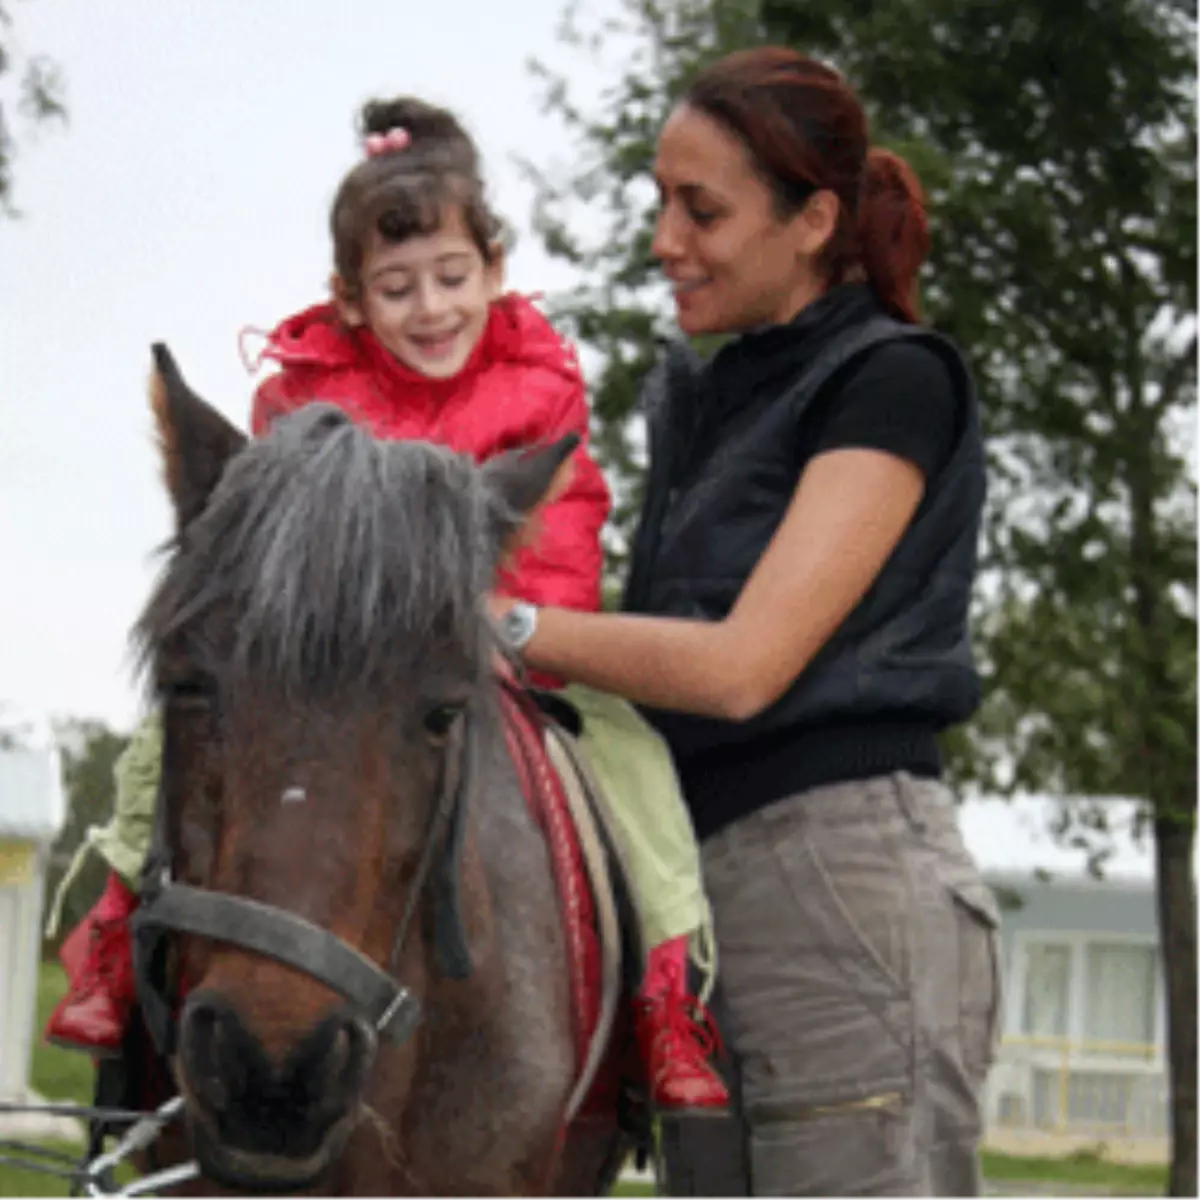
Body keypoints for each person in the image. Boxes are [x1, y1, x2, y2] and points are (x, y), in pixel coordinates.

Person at [43, 95, 728, 1114]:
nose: (432, 308)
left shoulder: (536, 389)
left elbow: (564, 521)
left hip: (495, 648)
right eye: (397, 287)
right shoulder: (310, 399)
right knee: (174, 731)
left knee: (636, 764)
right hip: (332, 673)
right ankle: (113, 925)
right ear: (353, 299)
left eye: (453, 279)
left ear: (494, 273)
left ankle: (668, 993)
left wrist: (510, 627)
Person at [489, 47, 1002, 1198]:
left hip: (841, 889)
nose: (665, 238)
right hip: (706, 893)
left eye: (702, 208)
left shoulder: (894, 383)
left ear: (814, 220)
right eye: (659, 201)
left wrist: (499, 627)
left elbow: (739, 669)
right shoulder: (712, 398)